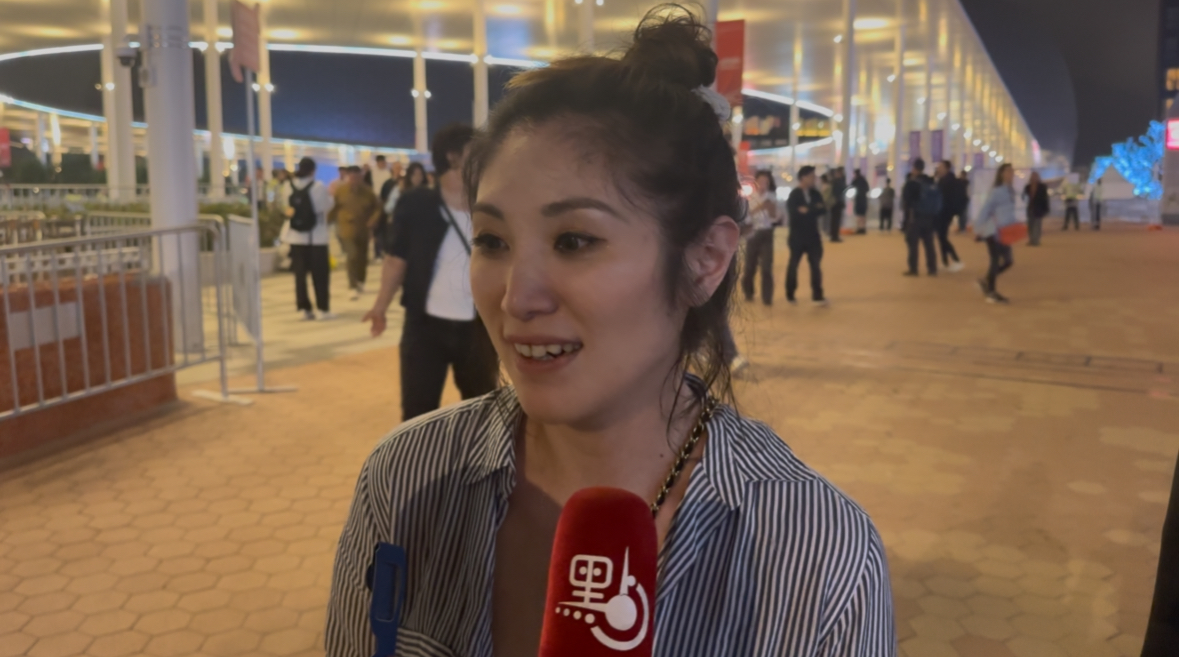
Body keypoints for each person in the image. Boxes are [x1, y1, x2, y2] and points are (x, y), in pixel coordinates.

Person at [329, 10, 895, 656]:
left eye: (574, 240)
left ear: (704, 259)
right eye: (492, 240)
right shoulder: (404, 479)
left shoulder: (818, 557)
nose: (516, 297)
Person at [361, 123, 498, 421]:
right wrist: (380, 306)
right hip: (425, 328)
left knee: (485, 414)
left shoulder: (490, 205)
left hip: (477, 329)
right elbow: (396, 259)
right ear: (452, 157)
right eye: (475, 151)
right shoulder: (417, 204)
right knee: (417, 413)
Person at [281, 157, 336, 321]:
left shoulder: (288, 186)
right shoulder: (318, 186)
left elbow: (286, 207)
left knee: (300, 276)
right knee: (320, 275)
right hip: (317, 237)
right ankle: (323, 309)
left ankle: (304, 308)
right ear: (313, 170)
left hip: (295, 237)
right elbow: (326, 206)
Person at [329, 166, 381, 300]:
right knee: (352, 255)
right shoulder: (341, 191)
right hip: (346, 229)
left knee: (362, 257)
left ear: (361, 177)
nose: (354, 180)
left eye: (357, 177)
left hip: (363, 228)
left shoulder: (368, 192)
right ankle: (352, 286)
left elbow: (377, 208)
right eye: (351, 177)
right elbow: (334, 208)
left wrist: (373, 220)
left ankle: (360, 281)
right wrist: (326, 222)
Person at [973, 163, 1017, 304]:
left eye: (1012, 171)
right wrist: (979, 229)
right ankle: (991, 292)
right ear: (1001, 174)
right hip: (993, 230)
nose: (1011, 174)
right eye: (1008, 171)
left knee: (1008, 261)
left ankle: (986, 281)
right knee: (995, 260)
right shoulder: (997, 191)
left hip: (1005, 231)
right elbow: (986, 210)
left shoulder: (1010, 191)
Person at [785, 165, 828, 305]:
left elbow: (823, 209)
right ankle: (790, 294)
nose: (814, 179)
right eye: (812, 176)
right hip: (797, 237)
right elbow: (794, 213)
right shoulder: (794, 195)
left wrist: (807, 210)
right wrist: (813, 209)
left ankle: (817, 295)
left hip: (813, 237)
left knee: (815, 265)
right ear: (803, 177)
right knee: (793, 265)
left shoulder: (815, 194)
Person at [741, 170, 779, 305]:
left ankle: (767, 297)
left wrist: (770, 208)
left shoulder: (772, 197)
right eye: (761, 181)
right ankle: (748, 292)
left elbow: (775, 217)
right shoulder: (750, 198)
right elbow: (747, 218)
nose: (763, 184)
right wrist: (760, 207)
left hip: (767, 233)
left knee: (767, 267)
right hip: (753, 233)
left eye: (766, 182)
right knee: (750, 266)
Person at [902, 158, 939, 277]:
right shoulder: (930, 182)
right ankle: (932, 268)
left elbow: (906, 201)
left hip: (916, 217)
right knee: (929, 243)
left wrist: (905, 221)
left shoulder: (912, 183)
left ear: (914, 168)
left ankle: (913, 268)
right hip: (930, 217)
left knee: (913, 243)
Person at [935, 160, 964, 272]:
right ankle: (945, 262)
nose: (938, 169)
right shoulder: (942, 180)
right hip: (941, 213)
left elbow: (948, 199)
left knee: (942, 237)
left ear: (947, 168)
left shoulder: (950, 181)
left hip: (946, 213)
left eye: (941, 167)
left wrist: (951, 212)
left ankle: (956, 260)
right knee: (941, 237)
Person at [1023, 171, 1049, 246]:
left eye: (1035, 176)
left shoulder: (1042, 187)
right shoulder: (1028, 187)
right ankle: (1031, 240)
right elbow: (1024, 196)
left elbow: (1045, 198)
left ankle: (1036, 240)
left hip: (1039, 208)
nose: (1034, 178)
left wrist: (1046, 208)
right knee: (1030, 225)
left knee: (1037, 224)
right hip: (1030, 208)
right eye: (1033, 176)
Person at [829, 166, 847, 242]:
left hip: (835, 203)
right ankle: (834, 236)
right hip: (837, 203)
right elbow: (841, 190)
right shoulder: (837, 181)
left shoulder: (834, 181)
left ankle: (834, 235)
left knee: (834, 220)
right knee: (836, 220)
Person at [851, 168, 869, 234]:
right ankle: (862, 228)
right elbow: (867, 189)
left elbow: (851, 185)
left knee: (859, 214)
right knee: (862, 215)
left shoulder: (857, 180)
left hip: (859, 199)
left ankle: (860, 228)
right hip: (863, 199)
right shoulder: (863, 180)